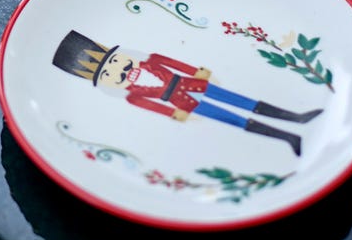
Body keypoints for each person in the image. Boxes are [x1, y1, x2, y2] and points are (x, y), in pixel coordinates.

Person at [52, 29, 322, 156]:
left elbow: (171, 63)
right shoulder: (132, 96)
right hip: (181, 101)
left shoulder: (150, 60)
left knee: (244, 102)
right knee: (234, 119)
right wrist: (175, 114)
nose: (119, 71)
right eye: (109, 75)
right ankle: (288, 137)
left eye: (114, 62)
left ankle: (296, 118)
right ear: (108, 85)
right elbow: (152, 107)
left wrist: (195, 69)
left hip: (194, 84)